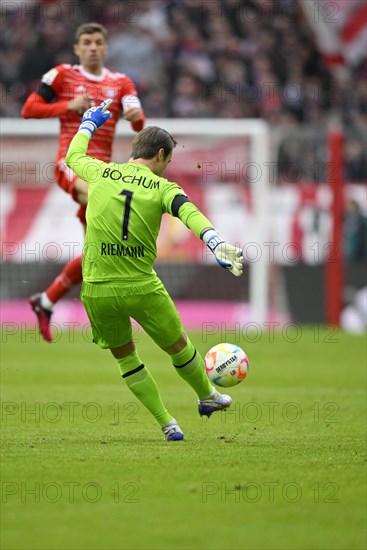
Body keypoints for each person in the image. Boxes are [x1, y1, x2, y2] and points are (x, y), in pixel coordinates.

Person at [64, 99, 244, 441]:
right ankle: (207, 396)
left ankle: (167, 423)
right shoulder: (164, 188)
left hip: (98, 289)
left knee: (125, 358)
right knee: (178, 347)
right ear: (160, 155)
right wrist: (215, 241)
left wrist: (88, 123)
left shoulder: (101, 172)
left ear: (135, 150)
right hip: (141, 288)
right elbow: (188, 212)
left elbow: (73, 158)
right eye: (169, 160)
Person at [21, 22, 145, 342]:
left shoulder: (121, 83)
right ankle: (108, 310)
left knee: (100, 252)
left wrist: (135, 119)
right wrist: (69, 106)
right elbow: (29, 109)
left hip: (102, 171)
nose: (93, 47)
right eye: (87, 42)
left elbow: (138, 122)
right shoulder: (62, 75)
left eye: (98, 42)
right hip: (71, 163)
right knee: (108, 216)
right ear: (77, 48)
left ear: (105, 47)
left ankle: (45, 300)